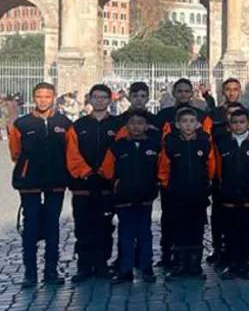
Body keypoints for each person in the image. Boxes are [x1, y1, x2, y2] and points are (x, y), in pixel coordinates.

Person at [9, 82, 71, 288]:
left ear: (54, 98)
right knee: (31, 226)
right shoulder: (21, 124)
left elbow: (69, 151)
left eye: (47, 96)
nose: (43, 100)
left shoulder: (65, 123)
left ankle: (51, 271)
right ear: (33, 98)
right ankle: (30, 273)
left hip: (56, 180)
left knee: (52, 225)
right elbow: (15, 153)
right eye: (39, 96)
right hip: (30, 181)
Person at [65, 84, 123, 282]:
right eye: (96, 97)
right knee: (83, 227)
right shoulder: (78, 126)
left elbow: (118, 151)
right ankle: (84, 265)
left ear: (110, 100)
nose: (99, 100)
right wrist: (87, 173)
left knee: (105, 226)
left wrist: (104, 172)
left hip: (106, 185)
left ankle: (101, 264)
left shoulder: (118, 126)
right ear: (89, 99)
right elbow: (72, 154)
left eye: (103, 97)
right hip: (82, 186)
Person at [100, 110, 161, 284]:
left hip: (145, 195)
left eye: (140, 123)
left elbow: (161, 167)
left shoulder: (153, 146)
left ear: (146, 126)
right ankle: (126, 269)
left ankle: (146, 267)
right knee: (125, 234)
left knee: (145, 233)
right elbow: (107, 170)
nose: (136, 126)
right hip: (124, 196)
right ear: (126, 126)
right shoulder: (118, 146)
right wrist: (117, 185)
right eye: (132, 123)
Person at [157, 107, 214, 280]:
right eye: (184, 122)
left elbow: (211, 164)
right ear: (177, 124)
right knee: (179, 229)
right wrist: (168, 186)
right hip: (177, 194)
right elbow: (164, 166)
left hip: (198, 194)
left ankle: (195, 264)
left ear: (197, 124)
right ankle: (180, 264)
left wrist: (207, 183)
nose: (188, 125)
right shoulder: (170, 142)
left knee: (196, 229)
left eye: (191, 121)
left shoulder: (204, 142)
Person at [211, 108, 249, 281]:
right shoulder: (222, 143)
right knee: (230, 231)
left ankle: (248, 263)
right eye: (234, 122)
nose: (238, 125)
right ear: (229, 125)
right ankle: (233, 264)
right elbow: (216, 169)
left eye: (242, 122)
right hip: (228, 195)